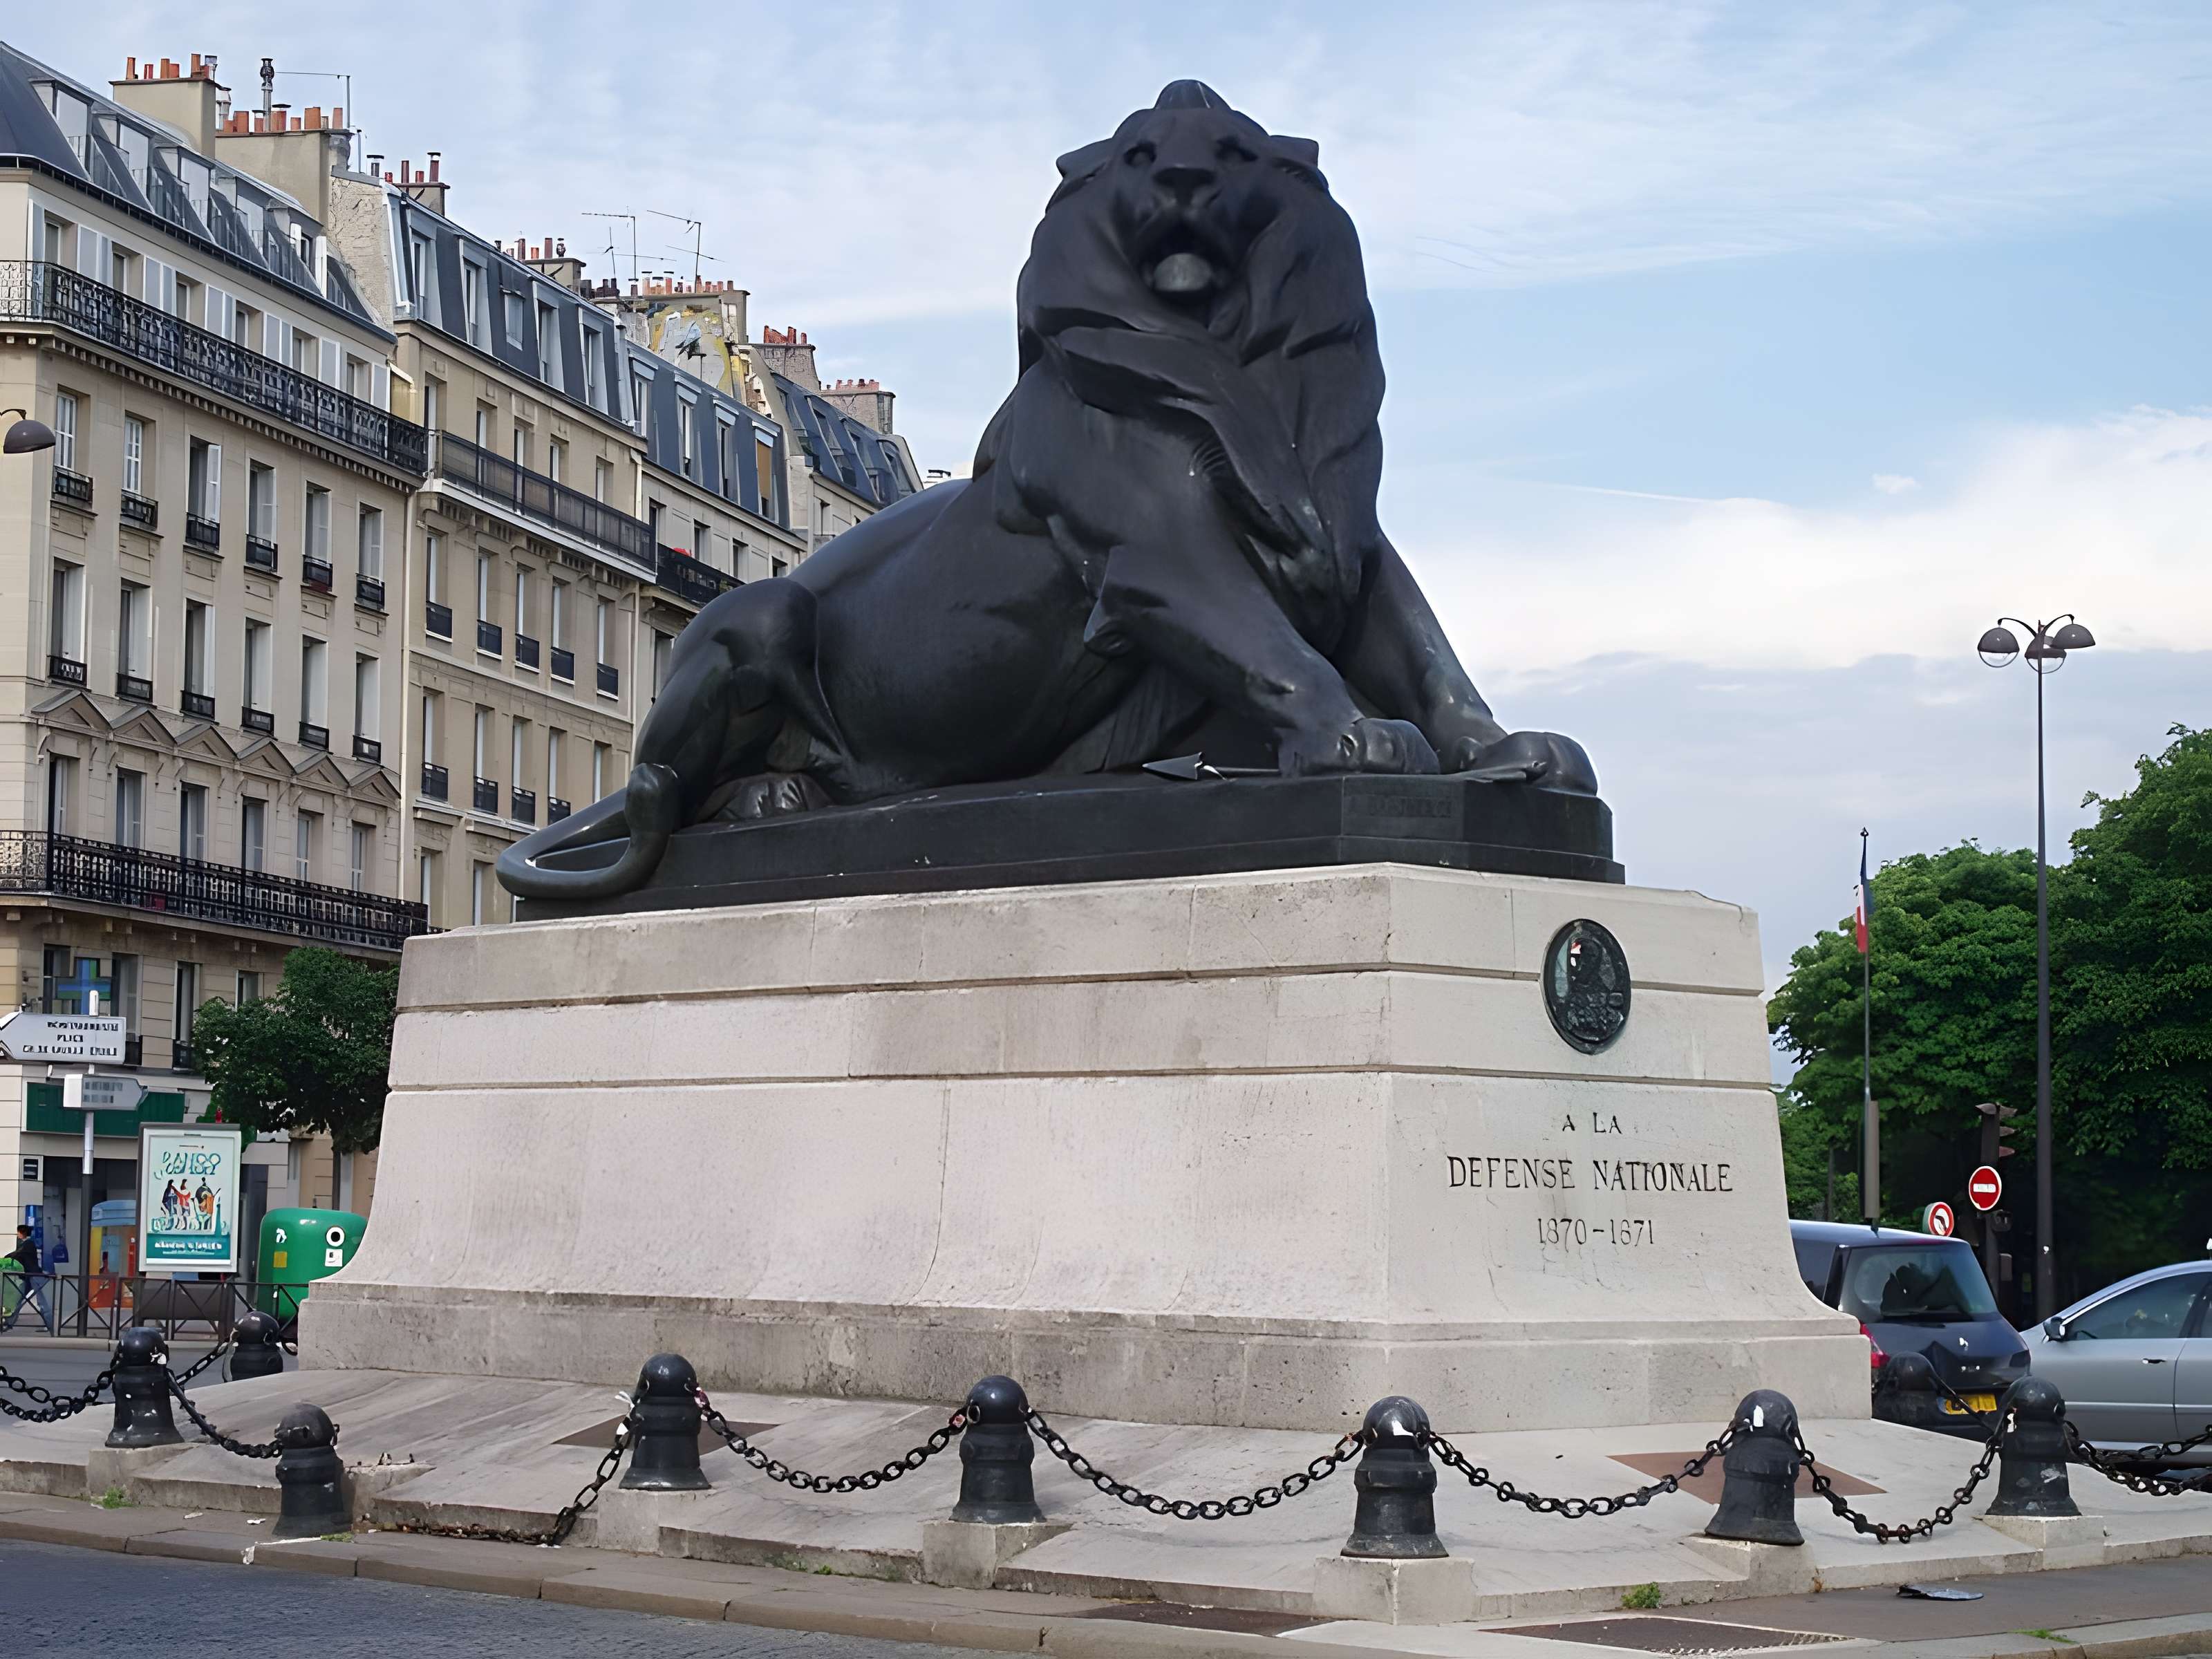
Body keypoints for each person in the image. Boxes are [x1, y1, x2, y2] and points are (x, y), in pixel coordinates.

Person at [4, 1224, 48, 1332]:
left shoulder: (28, 1244)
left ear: (22, 1233)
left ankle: (50, 1326)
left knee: (42, 1302)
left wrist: (6, 1258)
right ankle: (9, 1323)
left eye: (18, 1232)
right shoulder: (26, 1244)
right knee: (19, 1298)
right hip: (28, 1276)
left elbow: (18, 1254)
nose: (17, 1234)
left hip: (35, 1276)